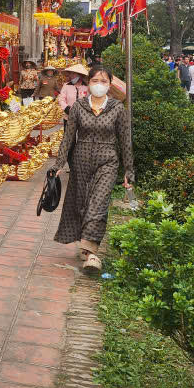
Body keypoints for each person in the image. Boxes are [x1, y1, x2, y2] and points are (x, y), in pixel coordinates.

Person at [50, 65, 134, 276]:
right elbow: (68, 138)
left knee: (98, 203)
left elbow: (125, 140)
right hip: (80, 161)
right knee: (82, 203)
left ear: (110, 85)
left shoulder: (117, 108)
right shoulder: (78, 107)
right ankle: (86, 244)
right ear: (88, 83)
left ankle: (91, 252)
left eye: (104, 81)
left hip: (107, 162)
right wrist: (59, 164)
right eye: (95, 81)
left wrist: (128, 170)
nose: (99, 85)